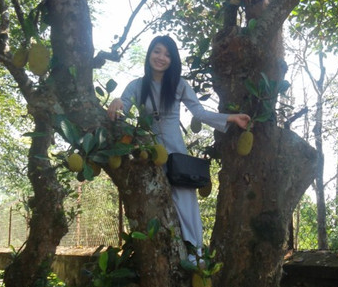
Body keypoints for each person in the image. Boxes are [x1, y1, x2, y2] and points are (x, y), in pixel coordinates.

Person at [107, 35, 250, 251]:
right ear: (149, 54)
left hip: (176, 154)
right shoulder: (136, 86)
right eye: (157, 51)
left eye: (167, 54)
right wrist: (117, 101)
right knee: (154, 203)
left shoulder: (179, 85)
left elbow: (199, 113)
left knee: (185, 203)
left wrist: (231, 118)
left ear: (172, 60)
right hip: (149, 155)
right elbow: (123, 108)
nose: (161, 57)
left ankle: (195, 254)